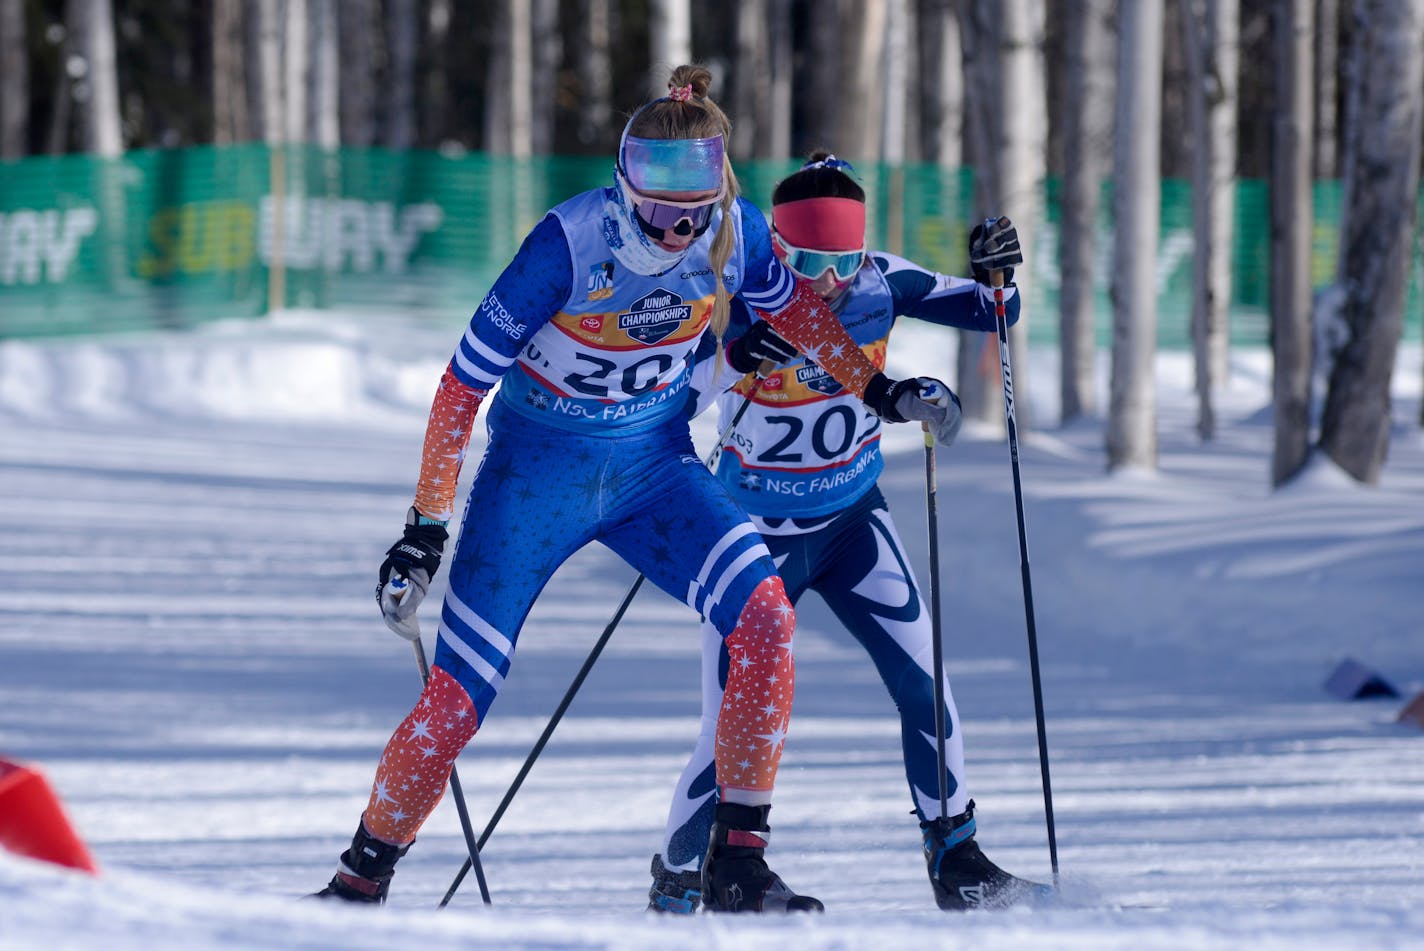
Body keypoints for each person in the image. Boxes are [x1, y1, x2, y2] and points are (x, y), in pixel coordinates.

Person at [311, 68, 963, 914]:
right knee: (460, 697)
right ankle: (358, 882)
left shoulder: (734, 229)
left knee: (766, 621)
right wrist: (423, 530)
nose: (676, 225)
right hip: (535, 480)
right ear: (623, 180)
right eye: (657, 205)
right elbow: (460, 387)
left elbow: (799, 310)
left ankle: (736, 864)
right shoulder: (568, 244)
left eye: (694, 205)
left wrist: (870, 390)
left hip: (653, 470)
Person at [647, 153, 1044, 913]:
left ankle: (956, 858)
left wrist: (999, 275)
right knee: (729, 721)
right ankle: (679, 879)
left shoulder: (882, 283)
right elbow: (669, 391)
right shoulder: (742, 293)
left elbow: (995, 311)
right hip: (749, 535)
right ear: (777, 250)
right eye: (802, 260)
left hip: (852, 521)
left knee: (926, 686)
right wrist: (731, 356)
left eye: (841, 261)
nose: (824, 281)